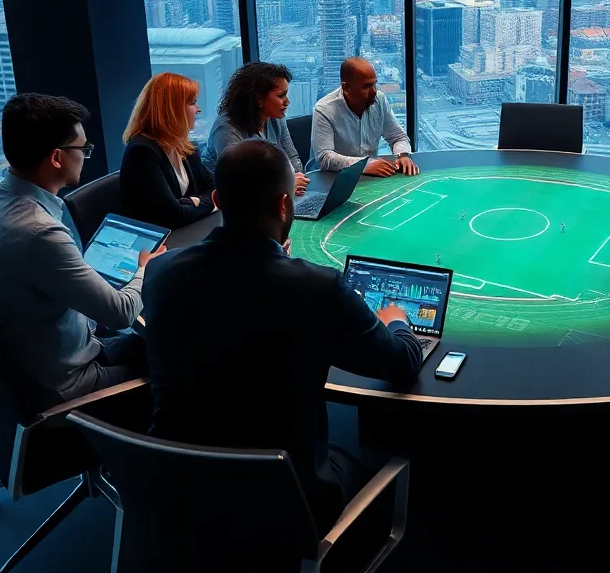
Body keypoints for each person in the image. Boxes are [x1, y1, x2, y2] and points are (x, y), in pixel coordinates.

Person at [141, 139, 423, 529]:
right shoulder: (317, 289)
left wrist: (280, 266)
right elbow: (402, 363)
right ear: (284, 205)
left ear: (218, 200)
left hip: (175, 484)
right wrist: (396, 321)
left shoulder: (159, 272)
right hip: (287, 500)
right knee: (366, 461)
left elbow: (233, 307)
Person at [0, 94, 163, 404]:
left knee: (161, 342)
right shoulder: (39, 232)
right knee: (180, 358)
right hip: (67, 383)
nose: (86, 156)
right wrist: (145, 267)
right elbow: (121, 313)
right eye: (83, 149)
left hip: (33, 359)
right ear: (57, 158)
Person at [120, 72, 216, 229]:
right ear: (172, 109)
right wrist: (204, 203)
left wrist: (192, 203)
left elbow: (214, 188)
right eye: (192, 103)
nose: (197, 110)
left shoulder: (182, 144)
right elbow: (172, 215)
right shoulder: (142, 151)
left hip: (185, 230)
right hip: (158, 243)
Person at [200, 62, 309, 196]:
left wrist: (294, 181)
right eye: (281, 96)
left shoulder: (276, 117)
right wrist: (288, 183)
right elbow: (241, 180)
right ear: (259, 99)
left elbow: (292, 158)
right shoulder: (226, 128)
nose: (287, 102)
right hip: (231, 201)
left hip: (271, 193)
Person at [312, 56, 419, 177]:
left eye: (374, 84)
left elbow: (398, 137)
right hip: (336, 178)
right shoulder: (324, 109)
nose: (374, 91)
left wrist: (403, 155)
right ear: (347, 88)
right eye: (366, 86)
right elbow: (324, 157)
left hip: (372, 177)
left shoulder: (379, 99)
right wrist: (362, 165)